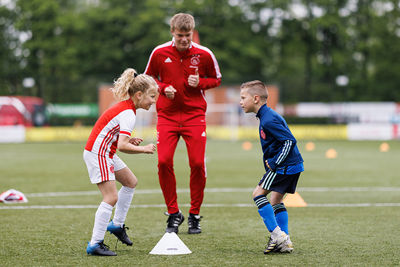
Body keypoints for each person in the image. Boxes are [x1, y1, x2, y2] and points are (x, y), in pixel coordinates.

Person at [144, 13, 221, 234]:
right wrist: (161, 87)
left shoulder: (204, 53)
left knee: (197, 163)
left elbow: (217, 79)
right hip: (167, 117)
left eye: (187, 35)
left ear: (192, 32)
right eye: (180, 35)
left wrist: (201, 83)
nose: (184, 40)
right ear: (172, 33)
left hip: (194, 117)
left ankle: (194, 214)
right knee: (164, 161)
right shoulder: (159, 53)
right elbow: (147, 78)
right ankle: (173, 213)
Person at [83, 68, 158, 256]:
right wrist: (144, 149)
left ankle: (116, 225)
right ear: (139, 95)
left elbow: (114, 136)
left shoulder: (127, 108)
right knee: (111, 198)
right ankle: (95, 243)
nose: (154, 101)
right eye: (151, 96)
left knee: (130, 182)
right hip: (98, 153)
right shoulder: (129, 114)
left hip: (105, 150)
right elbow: (123, 146)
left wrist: (127, 141)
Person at [239, 80, 304, 254]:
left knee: (258, 194)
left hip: (284, 166)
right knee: (275, 200)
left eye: (243, 97)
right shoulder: (266, 115)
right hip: (293, 165)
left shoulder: (268, 119)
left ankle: (278, 236)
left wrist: (275, 162)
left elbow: (290, 141)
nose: (240, 102)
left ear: (256, 98)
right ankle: (284, 241)